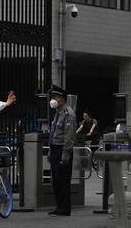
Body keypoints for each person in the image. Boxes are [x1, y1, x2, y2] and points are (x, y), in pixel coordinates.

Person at [47, 86, 76, 217]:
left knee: (63, 180)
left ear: (62, 99)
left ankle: (65, 208)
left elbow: (69, 136)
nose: (53, 100)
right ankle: (59, 206)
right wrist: (49, 151)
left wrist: (65, 154)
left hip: (62, 149)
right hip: (54, 148)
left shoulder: (68, 114)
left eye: (55, 97)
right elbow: (54, 133)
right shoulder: (58, 113)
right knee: (56, 180)